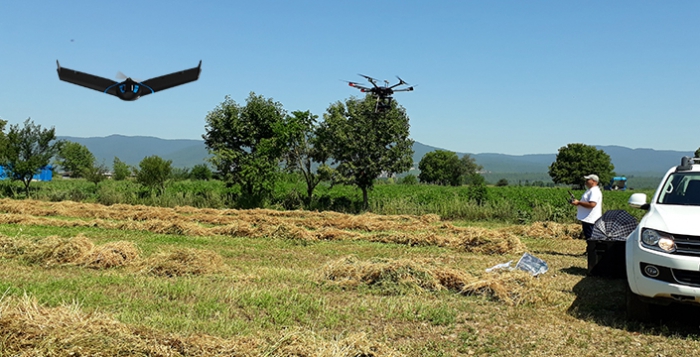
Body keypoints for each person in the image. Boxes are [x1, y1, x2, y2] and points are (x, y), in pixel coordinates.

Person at [571, 174, 603, 239]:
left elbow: (592, 204)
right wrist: (578, 203)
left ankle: (592, 249)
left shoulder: (594, 191)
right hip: (587, 218)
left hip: (591, 219)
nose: (586, 181)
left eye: (588, 179)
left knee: (591, 238)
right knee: (589, 237)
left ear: (593, 181)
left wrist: (579, 203)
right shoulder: (590, 190)